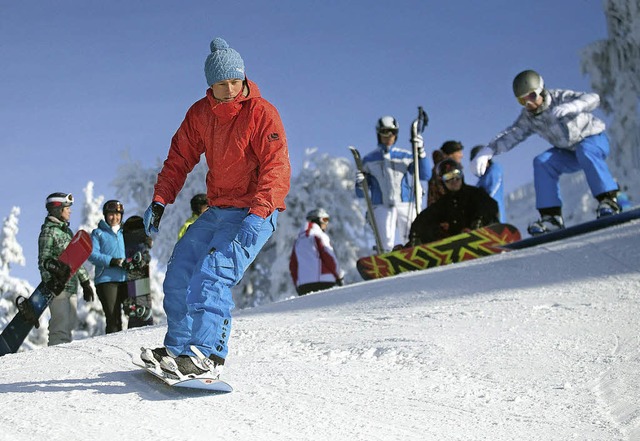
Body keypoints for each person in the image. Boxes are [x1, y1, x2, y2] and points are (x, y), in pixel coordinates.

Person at [140, 37, 291, 380]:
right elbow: (179, 158)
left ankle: (208, 356)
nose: (230, 90)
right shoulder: (200, 114)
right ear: (210, 84)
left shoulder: (261, 113)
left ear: (243, 79)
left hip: (254, 212)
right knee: (179, 273)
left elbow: (277, 167)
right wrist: (160, 200)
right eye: (222, 84)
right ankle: (179, 350)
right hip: (218, 210)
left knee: (212, 276)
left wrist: (260, 212)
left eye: (235, 82)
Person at [471, 69, 620, 235]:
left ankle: (608, 200)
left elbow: (593, 98)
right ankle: (551, 218)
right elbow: (512, 134)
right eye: (523, 100)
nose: (529, 104)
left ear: (541, 90)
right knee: (542, 162)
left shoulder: (559, 97)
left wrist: (574, 106)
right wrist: (489, 150)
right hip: (569, 153)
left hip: (594, 140)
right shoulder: (529, 117)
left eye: (532, 96)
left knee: (585, 150)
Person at [355, 115, 431, 252]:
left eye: (393, 132)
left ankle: (417, 256)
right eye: (384, 132)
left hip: (405, 203)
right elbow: (361, 194)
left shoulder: (406, 156)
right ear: (378, 134)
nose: (389, 136)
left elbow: (425, 175)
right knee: (385, 242)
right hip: (381, 205)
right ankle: (385, 262)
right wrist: (360, 183)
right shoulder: (369, 160)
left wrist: (421, 153)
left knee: (412, 236)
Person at [38, 192, 94, 346]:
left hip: (71, 286)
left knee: (68, 328)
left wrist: (85, 282)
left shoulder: (67, 232)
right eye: (67, 208)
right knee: (60, 329)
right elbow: (43, 260)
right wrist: (50, 281)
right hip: (58, 288)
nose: (70, 211)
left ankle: (62, 362)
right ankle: (55, 362)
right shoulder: (48, 232)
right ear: (57, 209)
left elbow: (76, 260)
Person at [409, 159, 499, 245]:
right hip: (458, 241)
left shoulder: (475, 193)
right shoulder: (443, 204)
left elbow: (490, 206)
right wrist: (415, 235)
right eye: (448, 177)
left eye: (456, 174)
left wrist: (479, 221)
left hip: (482, 236)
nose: (454, 180)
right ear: (443, 181)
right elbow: (423, 219)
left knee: (486, 209)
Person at [88, 200, 128, 334]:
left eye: (117, 214)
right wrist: (112, 261)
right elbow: (92, 254)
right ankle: (113, 349)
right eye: (111, 214)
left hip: (126, 278)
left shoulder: (125, 233)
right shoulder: (98, 233)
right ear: (105, 215)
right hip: (106, 280)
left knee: (134, 313)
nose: (114, 217)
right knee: (113, 318)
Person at [289, 208, 345, 296]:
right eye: (325, 219)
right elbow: (328, 257)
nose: (326, 223)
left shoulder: (298, 241)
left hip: (303, 285)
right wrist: (339, 276)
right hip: (325, 281)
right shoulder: (318, 236)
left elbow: (293, 265)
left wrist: (297, 283)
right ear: (318, 220)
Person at [470, 145, 505, 222]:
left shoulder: (494, 169)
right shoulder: (481, 179)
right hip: (485, 215)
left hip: (495, 212)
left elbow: (492, 189)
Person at [427, 140, 464, 207]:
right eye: (459, 152)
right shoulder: (448, 167)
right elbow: (454, 190)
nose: (461, 155)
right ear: (451, 153)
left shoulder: (439, 167)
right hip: (446, 210)